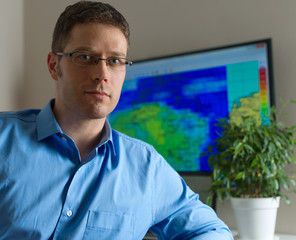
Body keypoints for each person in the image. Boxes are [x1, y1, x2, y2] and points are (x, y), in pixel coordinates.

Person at [0, 1, 233, 239]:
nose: (102, 74)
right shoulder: (3, 140)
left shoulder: (146, 166)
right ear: (53, 65)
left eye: (114, 60)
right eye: (85, 56)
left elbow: (211, 230)